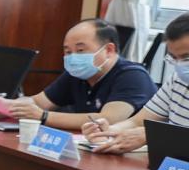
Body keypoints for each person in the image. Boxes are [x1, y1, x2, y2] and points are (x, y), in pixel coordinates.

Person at [5, 17, 154, 131]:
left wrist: (43, 116)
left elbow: (108, 119)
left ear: (109, 50)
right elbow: (38, 102)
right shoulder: (77, 74)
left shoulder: (133, 76)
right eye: (68, 51)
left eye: (80, 50)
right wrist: (1, 105)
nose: (73, 57)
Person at [81, 12, 189, 154]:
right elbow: (137, 122)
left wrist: (151, 136)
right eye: (174, 58)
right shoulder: (177, 80)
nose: (180, 65)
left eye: (186, 58)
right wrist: (109, 131)